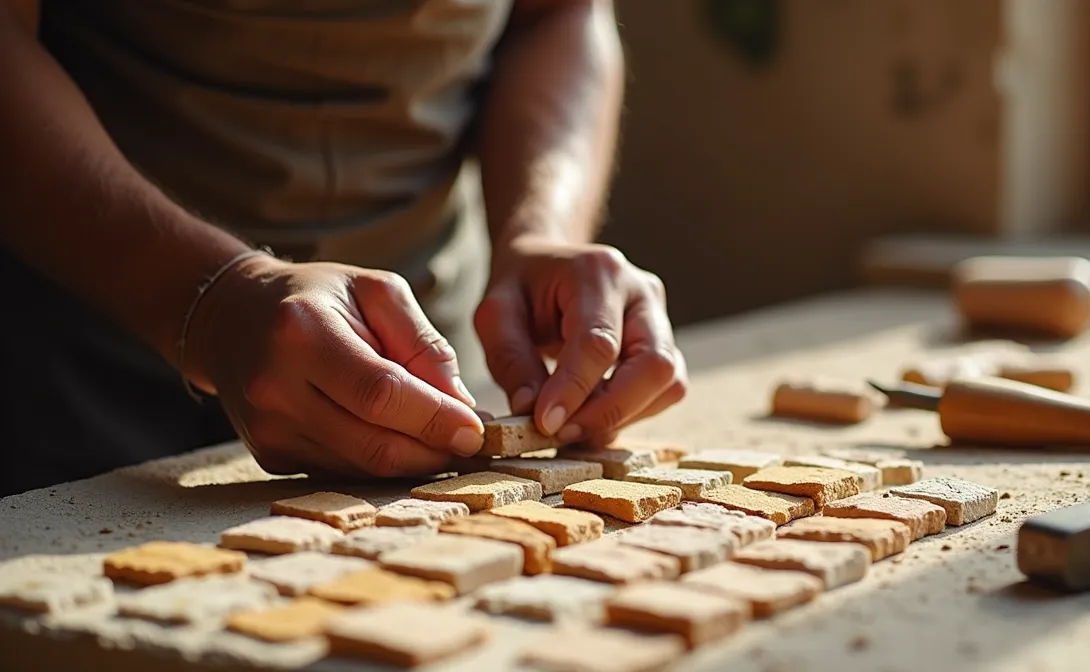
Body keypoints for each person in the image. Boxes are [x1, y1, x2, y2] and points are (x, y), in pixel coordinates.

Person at [0, 0, 688, 497]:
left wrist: (541, 230)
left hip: (426, 371)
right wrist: (208, 301)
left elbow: (555, 13)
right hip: (85, 369)